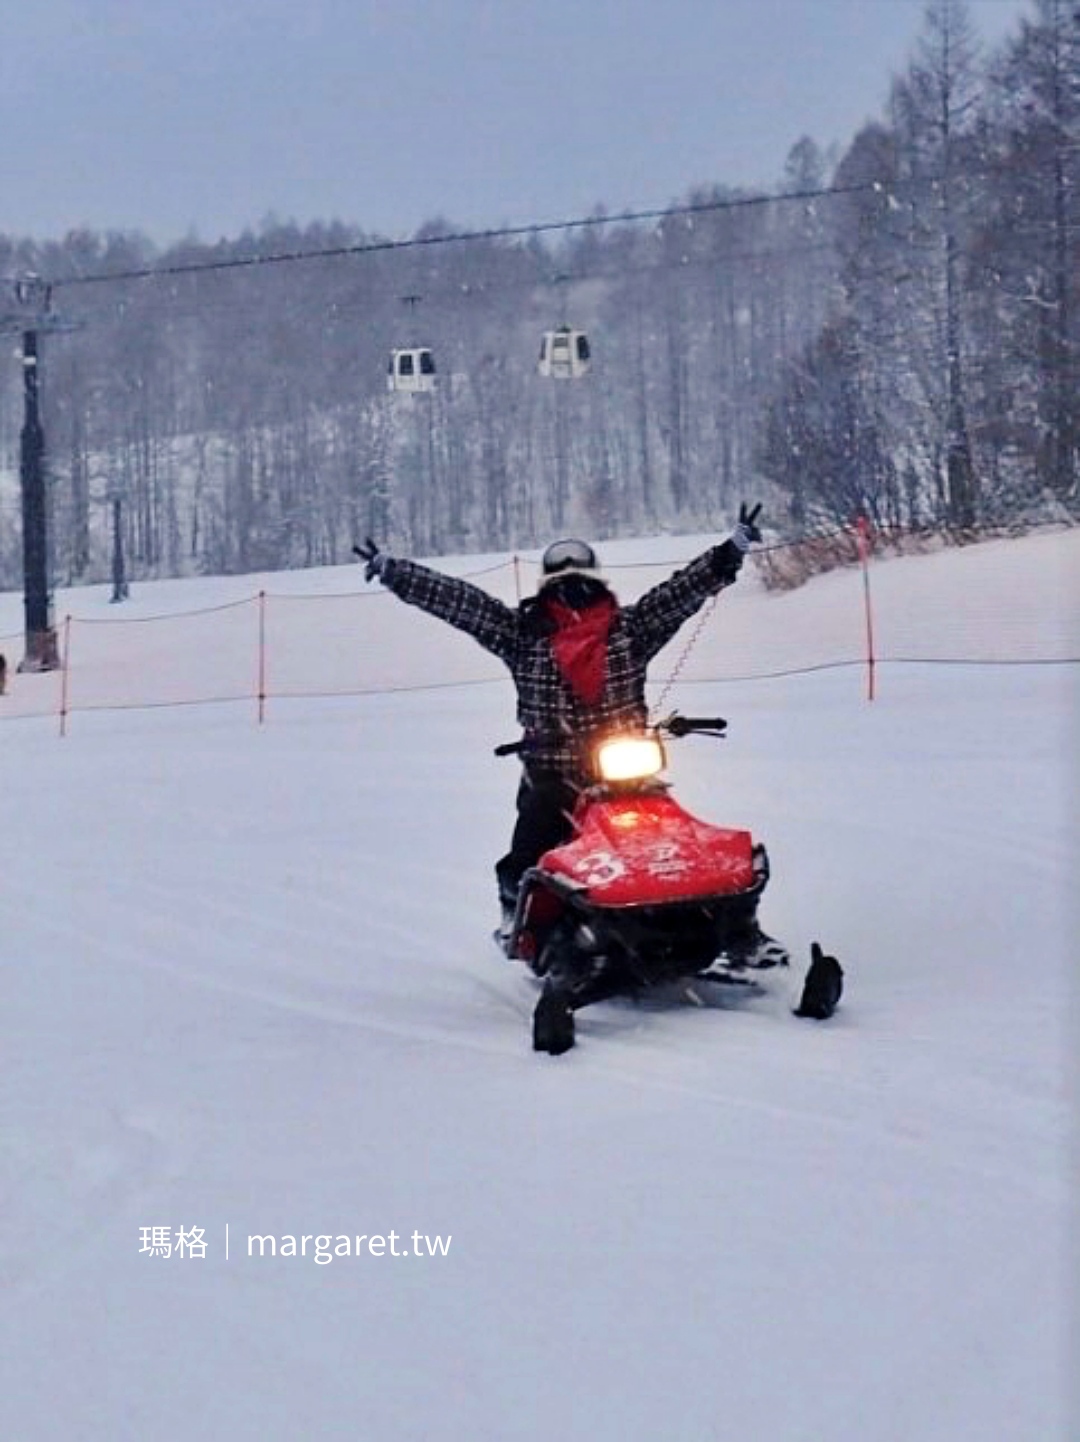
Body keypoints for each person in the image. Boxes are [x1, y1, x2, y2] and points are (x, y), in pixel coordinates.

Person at [356, 504, 786, 965]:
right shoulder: (522, 634)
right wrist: (396, 573)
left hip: (626, 768)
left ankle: (732, 925)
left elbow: (678, 595)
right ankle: (522, 923)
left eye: (580, 580)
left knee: (677, 840)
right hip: (554, 769)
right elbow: (464, 605)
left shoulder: (629, 630)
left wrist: (730, 552)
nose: (573, 590)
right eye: (562, 582)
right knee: (533, 843)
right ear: (547, 586)